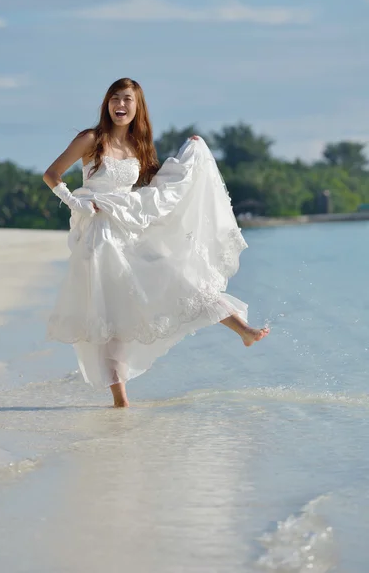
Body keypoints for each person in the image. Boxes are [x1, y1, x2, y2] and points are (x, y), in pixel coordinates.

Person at [43, 77, 269, 408]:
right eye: (115, 99)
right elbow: (52, 174)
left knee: (182, 278)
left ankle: (244, 331)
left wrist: (192, 154)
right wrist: (75, 202)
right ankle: (121, 402)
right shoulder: (92, 139)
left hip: (130, 228)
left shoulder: (138, 147)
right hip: (99, 237)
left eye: (127, 100)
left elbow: (160, 187)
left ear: (138, 107)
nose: (120, 105)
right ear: (107, 104)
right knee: (109, 318)